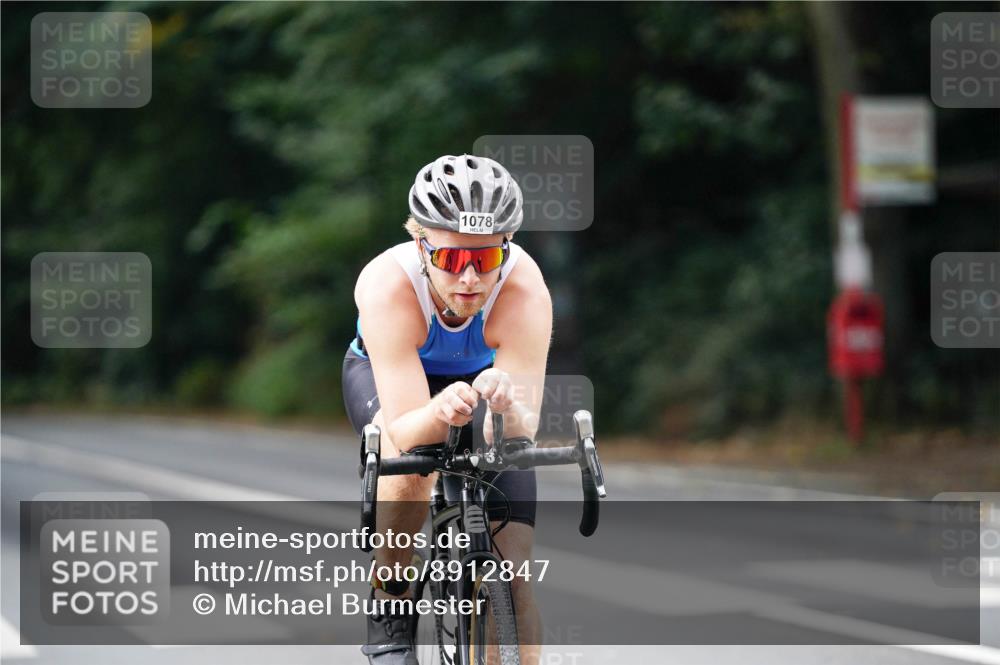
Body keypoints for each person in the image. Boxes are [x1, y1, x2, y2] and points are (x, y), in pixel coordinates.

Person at [342, 154, 552, 665]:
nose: (471, 278)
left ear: (506, 247)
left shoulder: (525, 287)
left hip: (483, 384)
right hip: (392, 382)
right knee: (413, 464)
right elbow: (407, 429)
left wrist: (504, 405)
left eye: (486, 258)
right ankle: (392, 600)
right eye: (453, 260)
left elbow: (522, 430)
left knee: (515, 574)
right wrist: (441, 413)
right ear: (421, 245)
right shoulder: (386, 285)